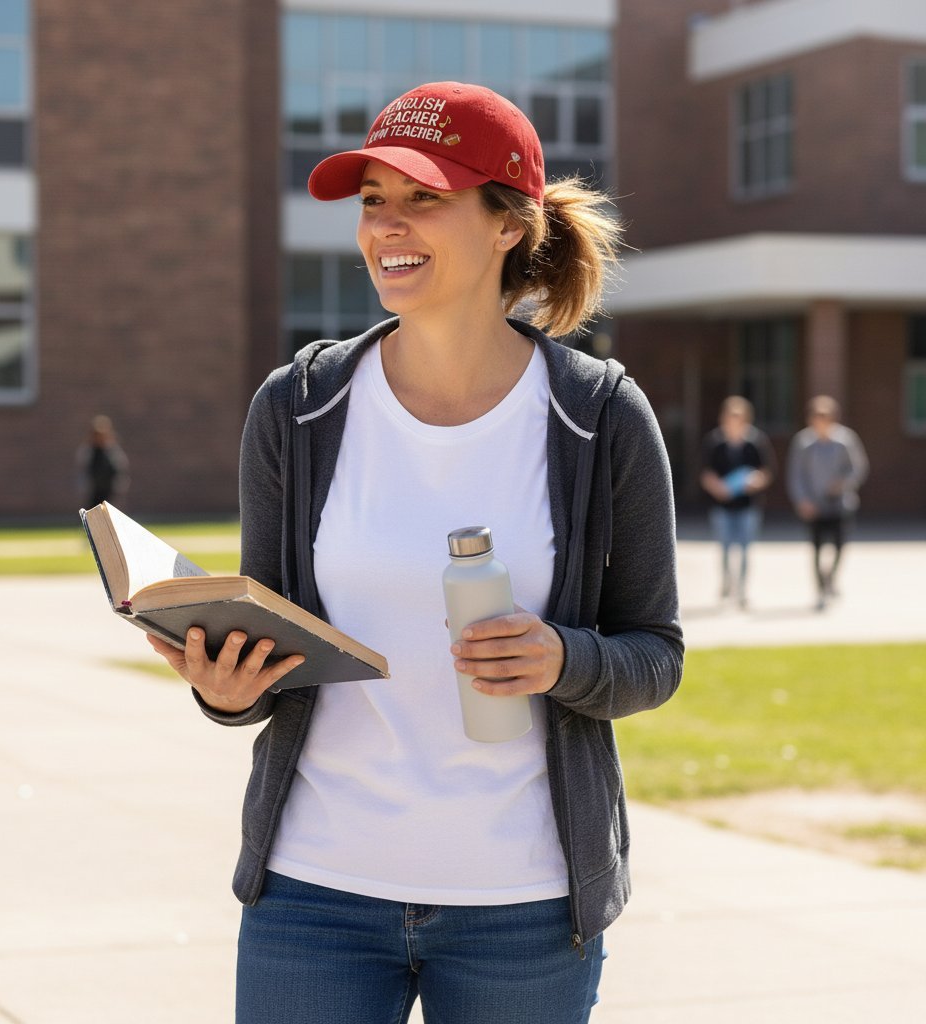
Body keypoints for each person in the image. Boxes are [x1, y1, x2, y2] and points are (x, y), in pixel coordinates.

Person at [146, 81, 684, 1024]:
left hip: (524, 905)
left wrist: (565, 658)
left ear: (508, 224)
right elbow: (273, 643)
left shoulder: (597, 417)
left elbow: (655, 654)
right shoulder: (299, 406)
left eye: (423, 197)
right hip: (314, 894)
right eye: (372, 201)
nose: (386, 226)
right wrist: (223, 688)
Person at [787, 395, 869, 610]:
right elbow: (796, 475)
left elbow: (858, 468)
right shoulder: (803, 442)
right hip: (813, 505)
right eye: (817, 416)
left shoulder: (846, 440)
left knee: (840, 545)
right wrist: (802, 500)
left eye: (825, 416)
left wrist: (843, 484)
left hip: (840, 503)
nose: (821, 421)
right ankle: (820, 590)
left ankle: (831, 577)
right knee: (816, 549)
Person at [699, 396, 776, 608]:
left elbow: (766, 472)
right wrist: (717, 488)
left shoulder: (756, 442)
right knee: (724, 548)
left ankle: (742, 590)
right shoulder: (714, 442)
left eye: (739, 417)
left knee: (744, 549)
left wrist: (755, 482)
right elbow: (705, 473)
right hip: (721, 504)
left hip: (748, 504)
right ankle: (726, 583)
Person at [76, 414, 129, 507]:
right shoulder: (89, 451)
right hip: (93, 488)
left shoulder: (112, 450)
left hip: (109, 488)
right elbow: (82, 468)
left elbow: (119, 466)